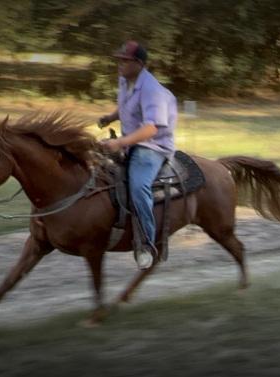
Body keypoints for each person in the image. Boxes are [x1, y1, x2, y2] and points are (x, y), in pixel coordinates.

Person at [98, 40, 178, 270]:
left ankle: (146, 243)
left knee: (138, 186)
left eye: (125, 60)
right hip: (130, 142)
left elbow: (151, 128)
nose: (119, 64)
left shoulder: (152, 90)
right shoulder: (125, 80)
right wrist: (111, 117)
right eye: (119, 59)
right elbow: (127, 106)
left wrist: (119, 142)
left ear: (139, 64)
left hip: (152, 146)